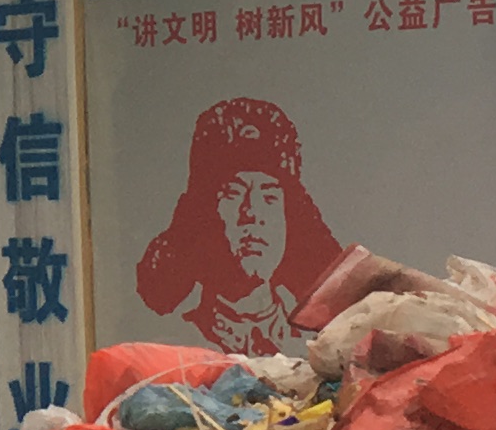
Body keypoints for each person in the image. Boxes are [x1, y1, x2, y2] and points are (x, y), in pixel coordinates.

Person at [133, 96, 343, 354]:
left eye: (269, 197)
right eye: (233, 194)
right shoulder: (175, 342)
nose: (252, 213)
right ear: (205, 214)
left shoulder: (320, 346)